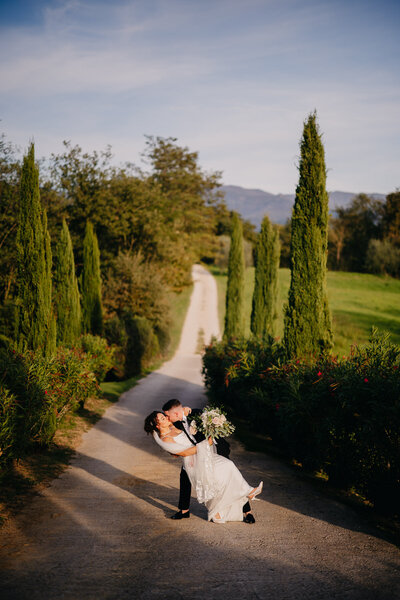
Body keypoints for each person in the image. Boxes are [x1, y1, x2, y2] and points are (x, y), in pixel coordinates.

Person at [144, 408, 263, 524]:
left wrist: (205, 423)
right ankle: (209, 509)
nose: (167, 418)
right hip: (194, 460)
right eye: (162, 418)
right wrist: (206, 443)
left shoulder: (175, 424)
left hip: (205, 454)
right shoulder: (166, 439)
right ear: (158, 426)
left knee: (227, 470)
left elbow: (188, 420)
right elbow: (184, 452)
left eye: (165, 416)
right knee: (214, 479)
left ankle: (247, 507)